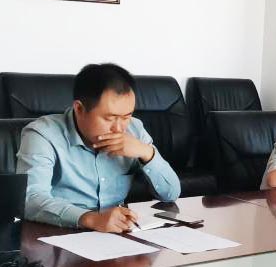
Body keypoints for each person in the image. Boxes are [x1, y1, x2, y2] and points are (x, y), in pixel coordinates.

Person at [16, 63, 180, 232]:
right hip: (59, 231)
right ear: (79, 109)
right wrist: (91, 219)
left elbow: (171, 194)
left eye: (126, 117)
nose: (119, 128)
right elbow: (30, 199)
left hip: (116, 231)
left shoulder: (134, 129)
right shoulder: (42, 134)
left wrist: (146, 152)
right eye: (110, 118)